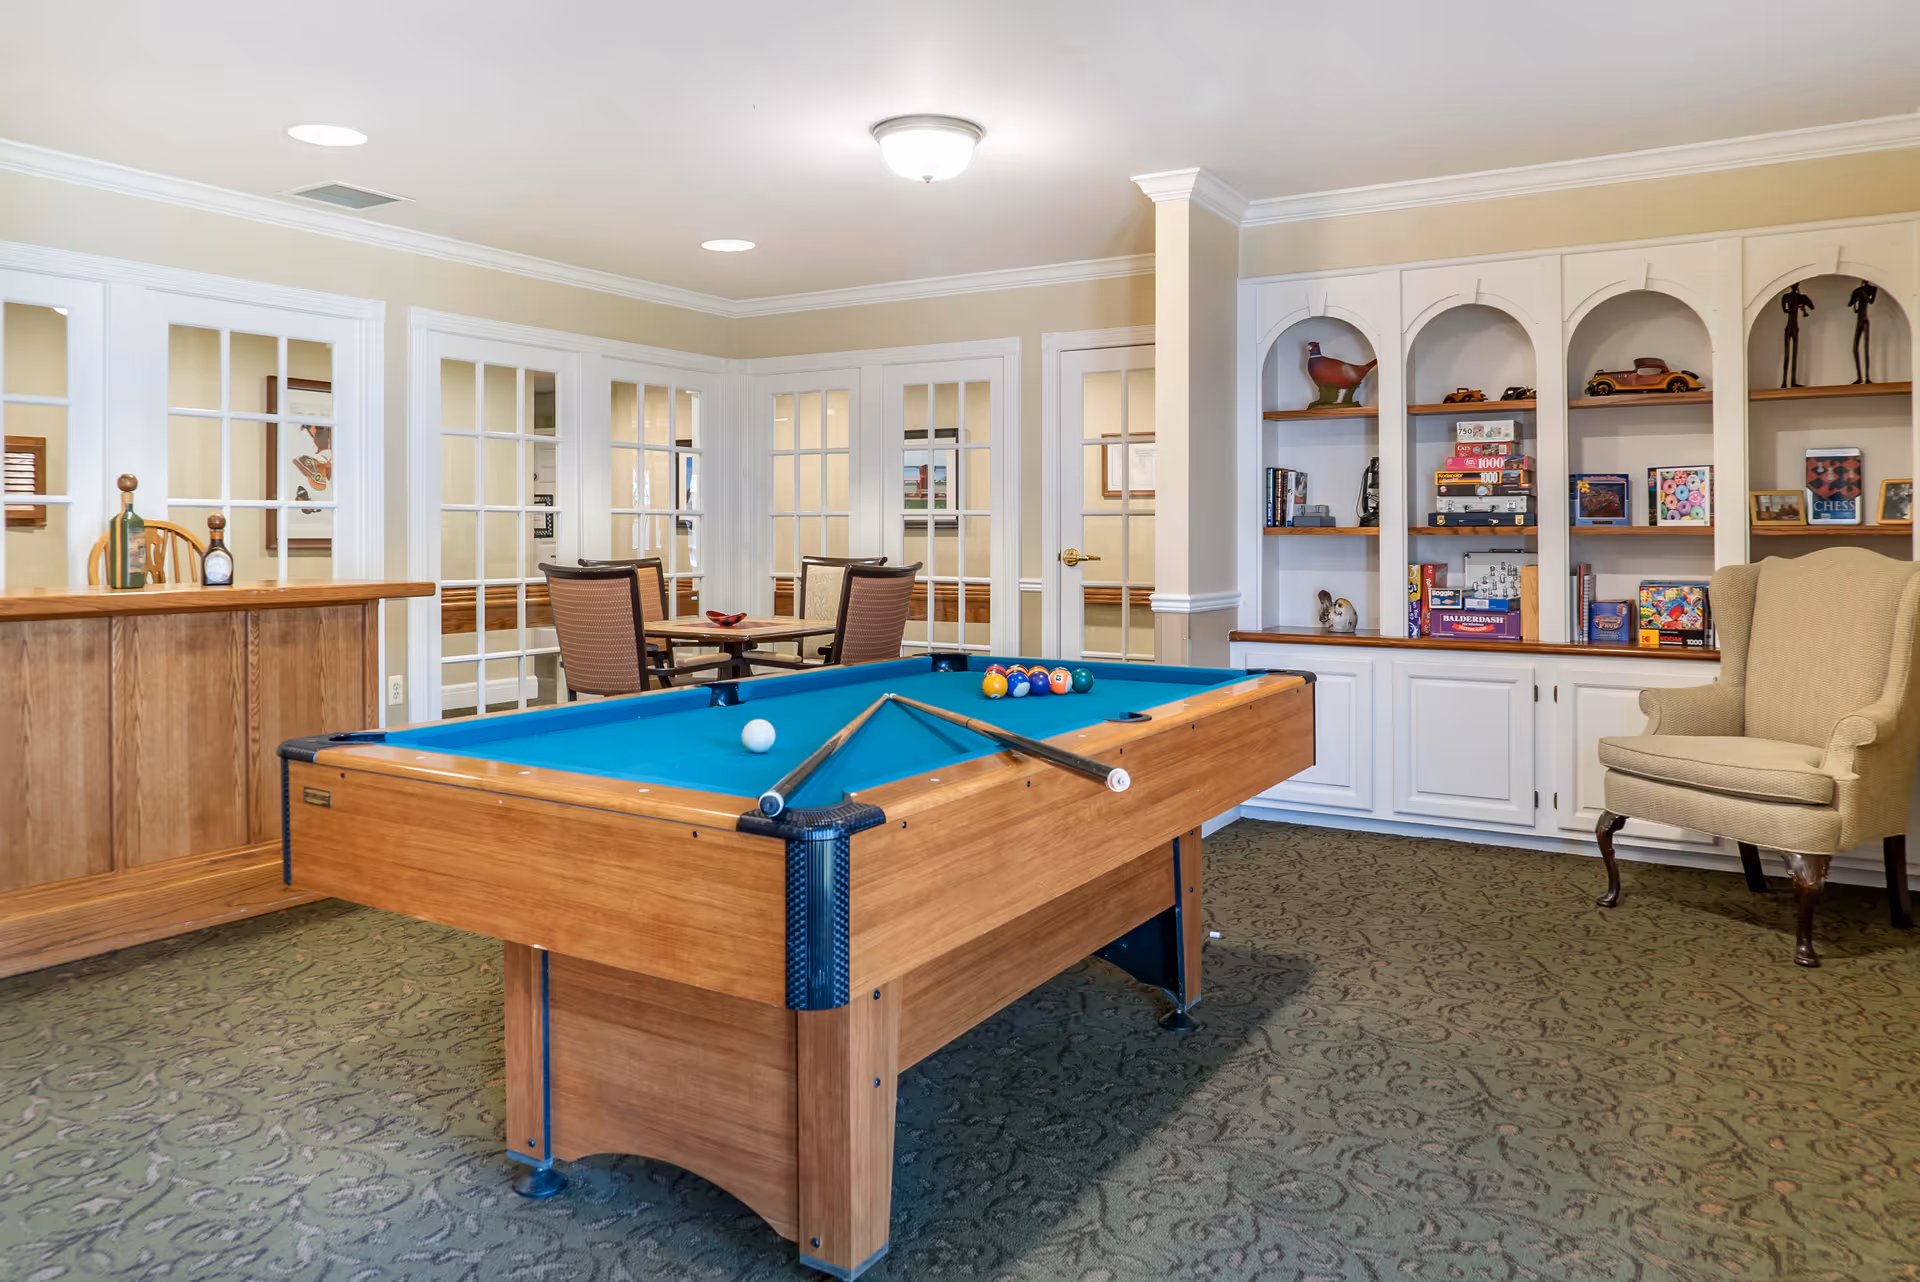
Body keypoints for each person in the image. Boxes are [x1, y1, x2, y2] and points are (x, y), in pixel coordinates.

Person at [1780, 282, 1815, 389]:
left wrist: (1803, 301)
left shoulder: (1800, 297)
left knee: (1794, 354)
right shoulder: (1786, 297)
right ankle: (1784, 382)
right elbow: (1785, 310)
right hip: (1790, 327)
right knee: (1787, 355)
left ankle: (1792, 381)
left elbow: (1812, 307)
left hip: (1795, 327)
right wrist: (1797, 306)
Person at [1849, 279, 1879, 384]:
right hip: (1859, 319)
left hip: (1865, 319)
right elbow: (1850, 304)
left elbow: (1871, 301)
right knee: (1855, 348)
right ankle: (1859, 377)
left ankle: (1867, 377)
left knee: (1866, 349)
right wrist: (1856, 296)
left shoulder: (1872, 289)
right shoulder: (1857, 290)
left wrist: (1863, 294)